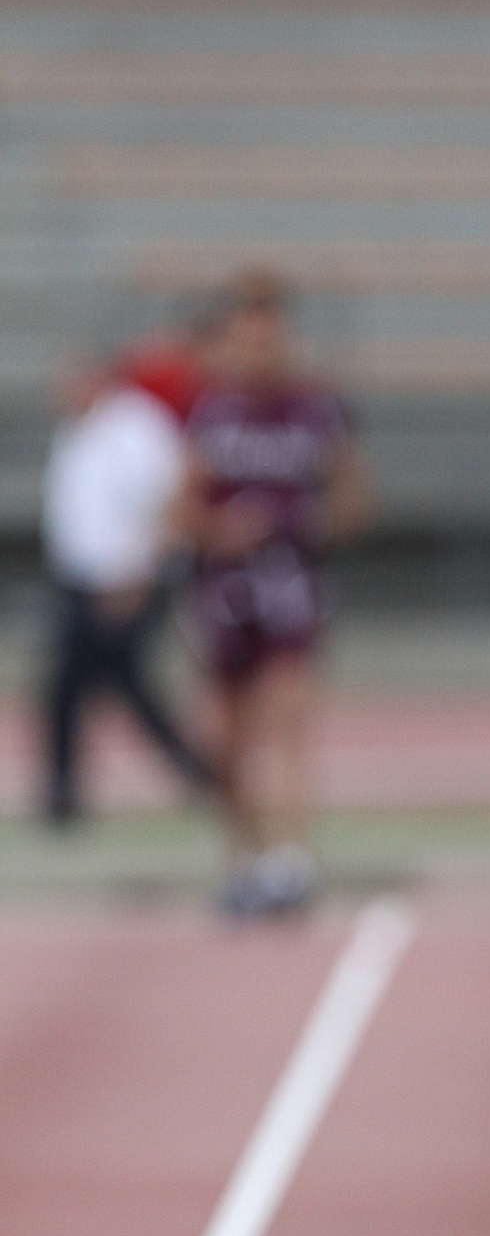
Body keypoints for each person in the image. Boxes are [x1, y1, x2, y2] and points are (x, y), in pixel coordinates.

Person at [173, 271, 371, 916]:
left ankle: (289, 860)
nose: (260, 353)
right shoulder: (211, 411)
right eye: (247, 340)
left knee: (286, 725)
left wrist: (302, 524)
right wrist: (219, 530)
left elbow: (352, 500)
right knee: (224, 737)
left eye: (270, 339)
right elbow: (178, 508)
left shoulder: (317, 410)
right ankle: (244, 856)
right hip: (222, 593)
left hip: (291, 588)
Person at [38, 335, 216, 825]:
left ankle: (66, 794)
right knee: (97, 685)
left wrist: (136, 576)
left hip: (125, 583)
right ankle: (189, 772)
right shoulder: (77, 429)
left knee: (86, 684)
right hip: (81, 580)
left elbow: (167, 505)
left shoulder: (137, 429)